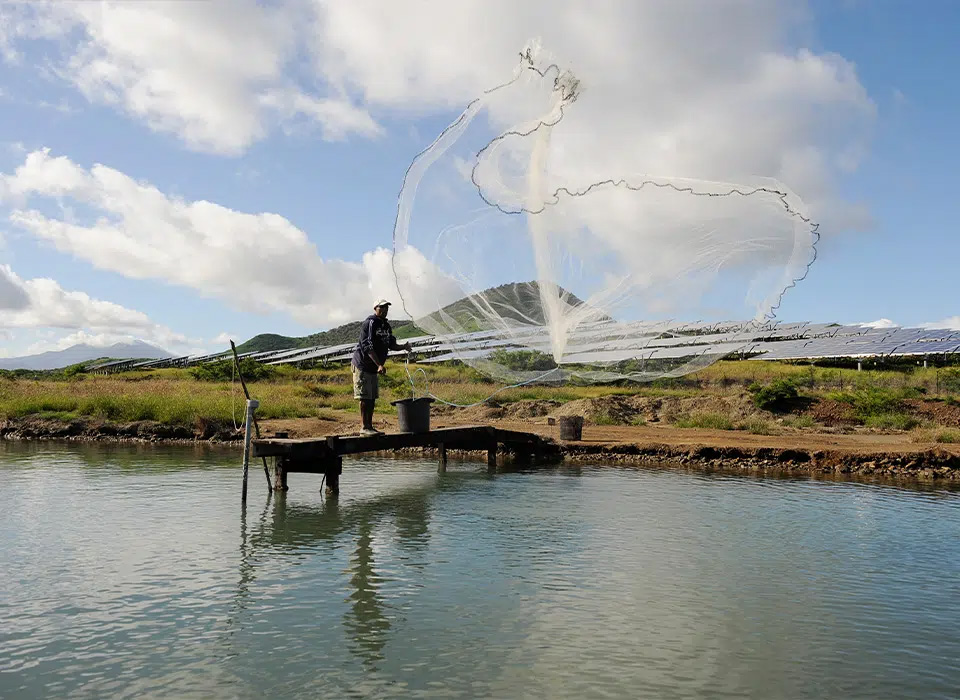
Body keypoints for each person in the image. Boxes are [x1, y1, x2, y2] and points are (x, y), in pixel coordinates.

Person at [351, 299, 412, 435]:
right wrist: (379, 364)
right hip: (363, 365)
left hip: (374, 368)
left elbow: (391, 344)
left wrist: (404, 347)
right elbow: (367, 346)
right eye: (382, 307)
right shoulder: (370, 323)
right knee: (364, 396)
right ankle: (364, 427)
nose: (384, 310)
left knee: (372, 397)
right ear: (375, 308)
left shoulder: (386, 326)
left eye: (386, 308)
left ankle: (369, 427)